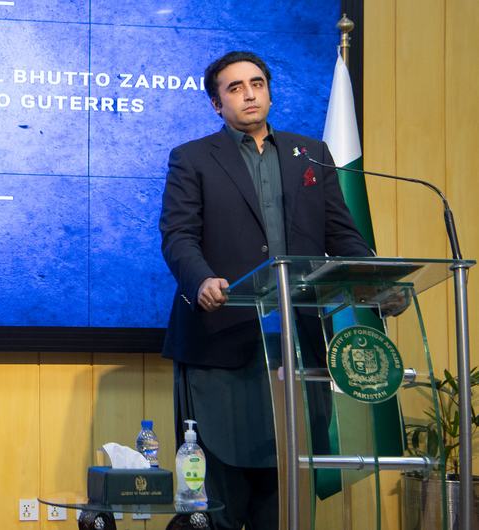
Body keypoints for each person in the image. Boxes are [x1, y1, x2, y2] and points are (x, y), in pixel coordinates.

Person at [159, 51, 371, 529]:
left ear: (270, 92)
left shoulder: (310, 153)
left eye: (256, 83)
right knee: (221, 505)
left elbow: (344, 236)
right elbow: (178, 236)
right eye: (234, 87)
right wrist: (202, 278)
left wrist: (373, 282)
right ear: (217, 104)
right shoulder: (192, 158)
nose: (249, 93)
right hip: (224, 342)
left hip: (299, 349)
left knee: (286, 500)